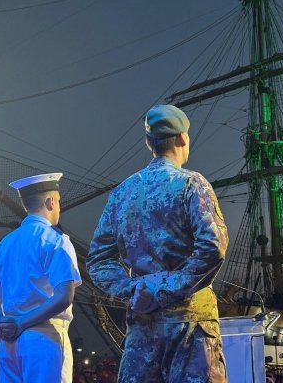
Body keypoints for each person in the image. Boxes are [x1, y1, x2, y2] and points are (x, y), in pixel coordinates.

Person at [88, 104, 229, 382]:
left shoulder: (122, 193)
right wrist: (165, 290)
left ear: (148, 143)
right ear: (182, 138)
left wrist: (135, 289)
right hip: (190, 325)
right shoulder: (192, 184)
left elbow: (98, 260)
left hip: (143, 325)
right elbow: (212, 247)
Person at [0, 173, 83, 383]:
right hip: (44, 338)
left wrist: (1, 324)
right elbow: (65, 296)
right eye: (59, 202)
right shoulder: (55, 240)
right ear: (50, 201)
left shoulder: (3, 246)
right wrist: (21, 322)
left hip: (8, 343)